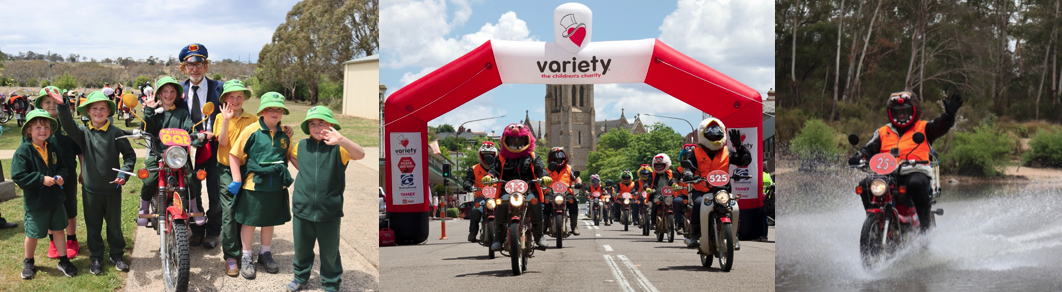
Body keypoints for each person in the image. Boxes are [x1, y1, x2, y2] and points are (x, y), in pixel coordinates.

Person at [47, 88, 136, 275]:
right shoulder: (82, 133)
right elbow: (67, 124)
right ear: (87, 111)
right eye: (94, 108)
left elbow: (129, 156)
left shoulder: (116, 132)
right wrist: (62, 106)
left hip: (112, 191)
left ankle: (117, 255)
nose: (98, 112)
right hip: (90, 191)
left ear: (109, 111)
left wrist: (125, 174)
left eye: (103, 108)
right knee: (93, 227)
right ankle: (96, 258)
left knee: (114, 227)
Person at [848, 91, 962, 232]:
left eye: (905, 112)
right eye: (898, 113)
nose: (901, 115)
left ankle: (925, 230)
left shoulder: (924, 127)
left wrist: (948, 116)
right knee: (865, 185)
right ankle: (875, 220)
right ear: (891, 113)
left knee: (916, 184)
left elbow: (940, 127)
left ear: (914, 111)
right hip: (888, 173)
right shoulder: (883, 131)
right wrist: (859, 157)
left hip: (915, 171)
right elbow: (868, 149)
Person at [285, 106, 364, 292]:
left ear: (331, 125)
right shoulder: (302, 146)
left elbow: (360, 154)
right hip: (302, 208)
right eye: (312, 123)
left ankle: (330, 283)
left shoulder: (339, 149)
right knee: (302, 248)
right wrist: (304, 171)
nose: (317, 127)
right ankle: (300, 277)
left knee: (329, 251)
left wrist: (341, 140)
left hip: (329, 211)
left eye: (322, 123)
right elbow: (292, 157)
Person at [229, 92, 294, 279]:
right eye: (270, 109)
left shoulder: (285, 134)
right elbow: (234, 155)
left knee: (269, 221)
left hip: (276, 187)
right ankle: (247, 256)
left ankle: (265, 253)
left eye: (279, 109)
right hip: (254, 186)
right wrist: (237, 180)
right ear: (262, 111)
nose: (275, 112)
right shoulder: (251, 130)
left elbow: (289, 156)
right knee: (249, 222)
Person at [12, 109, 78, 278]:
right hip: (36, 202)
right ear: (28, 130)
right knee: (33, 234)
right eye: (38, 127)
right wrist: (41, 179)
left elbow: (62, 166)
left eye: (47, 127)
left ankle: (63, 260)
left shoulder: (52, 147)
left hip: (55, 199)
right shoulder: (23, 151)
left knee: (58, 229)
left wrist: (61, 176)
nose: (43, 131)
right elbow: (18, 176)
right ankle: (28, 261)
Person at [137, 77, 209, 226]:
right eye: (165, 91)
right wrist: (149, 110)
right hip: (158, 155)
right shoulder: (154, 112)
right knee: (149, 179)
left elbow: (191, 130)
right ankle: (144, 209)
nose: (168, 95)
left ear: (176, 95)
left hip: (178, 156)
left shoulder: (182, 113)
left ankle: (194, 208)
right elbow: (146, 128)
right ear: (159, 95)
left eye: (172, 92)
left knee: (191, 179)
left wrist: (200, 137)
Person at [178, 43, 224, 248]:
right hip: (189, 150)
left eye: (199, 64)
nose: (194, 69)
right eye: (190, 65)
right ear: (184, 68)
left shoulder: (219, 88)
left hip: (215, 148)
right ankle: (196, 230)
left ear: (206, 66)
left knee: (215, 191)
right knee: (191, 190)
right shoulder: (179, 91)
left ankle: (213, 231)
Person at [680, 117, 751, 249]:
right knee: (697, 203)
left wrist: (739, 146)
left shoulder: (727, 151)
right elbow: (688, 167)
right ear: (703, 135)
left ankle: (734, 235)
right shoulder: (695, 152)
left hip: (722, 190)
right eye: (711, 135)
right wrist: (688, 173)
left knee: (734, 206)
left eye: (717, 135)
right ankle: (694, 235)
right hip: (702, 189)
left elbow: (745, 161)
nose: (714, 138)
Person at [213, 80, 258, 277]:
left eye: (240, 96)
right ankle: (231, 255)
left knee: (244, 209)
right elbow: (222, 142)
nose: (236, 100)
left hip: (247, 170)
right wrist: (225, 120)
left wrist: (287, 130)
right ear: (224, 99)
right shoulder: (219, 118)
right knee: (229, 210)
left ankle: (243, 250)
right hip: (225, 170)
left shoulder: (254, 119)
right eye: (231, 96)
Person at [483, 123, 553, 251]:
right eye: (512, 140)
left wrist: (544, 176)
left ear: (527, 140)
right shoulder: (501, 157)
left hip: (529, 189)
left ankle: (539, 236)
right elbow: (494, 169)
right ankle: (498, 238)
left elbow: (540, 168)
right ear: (505, 141)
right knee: (502, 204)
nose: (516, 143)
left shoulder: (532, 156)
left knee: (535, 203)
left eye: (519, 140)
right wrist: (489, 176)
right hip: (507, 190)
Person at [35, 87, 83, 260]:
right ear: (40, 104)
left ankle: (71, 240)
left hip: (67, 175)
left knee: (69, 206)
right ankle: (53, 241)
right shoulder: (35, 126)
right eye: (47, 102)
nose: (51, 105)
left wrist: (83, 170)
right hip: (44, 177)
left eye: (55, 102)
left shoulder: (70, 125)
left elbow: (79, 150)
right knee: (50, 207)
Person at [462, 141, 498, 242]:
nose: (488, 157)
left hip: (497, 196)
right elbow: (467, 180)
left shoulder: (499, 168)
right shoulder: (473, 169)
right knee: (475, 210)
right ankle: (473, 233)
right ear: (480, 155)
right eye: (485, 155)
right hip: (481, 196)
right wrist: (468, 186)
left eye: (490, 155)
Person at [544, 147, 581, 236]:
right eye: (556, 157)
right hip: (550, 192)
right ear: (552, 158)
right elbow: (541, 179)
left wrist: (578, 183)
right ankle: (543, 226)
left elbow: (577, 178)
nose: (559, 159)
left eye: (561, 157)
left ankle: (574, 226)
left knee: (573, 202)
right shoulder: (547, 169)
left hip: (566, 192)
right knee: (546, 203)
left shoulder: (569, 168)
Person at [646, 154, 678, 227]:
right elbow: (647, 183)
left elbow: (673, 180)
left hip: (669, 194)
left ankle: (677, 222)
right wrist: (647, 188)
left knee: (676, 204)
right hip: (656, 194)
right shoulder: (652, 174)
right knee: (655, 204)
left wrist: (674, 184)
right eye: (657, 165)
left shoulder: (670, 173)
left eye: (661, 165)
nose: (659, 166)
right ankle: (653, 222)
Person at [674, 144, 696, 231]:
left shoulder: (698, 168)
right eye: (686, 157)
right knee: (676, 201)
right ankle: (680, 224)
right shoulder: (679, 169)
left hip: (696, 192)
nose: (688, 159)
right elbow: (674, 179)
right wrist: (674, 183)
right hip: (683, 194)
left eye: (690, 157)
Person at [760, 171, 774, 242]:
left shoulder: (760, 174)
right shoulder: (768, 174)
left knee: (763, 217)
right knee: (766, 217)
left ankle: (763, 235)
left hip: (761, 198)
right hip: (768, 199)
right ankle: (765, 235)